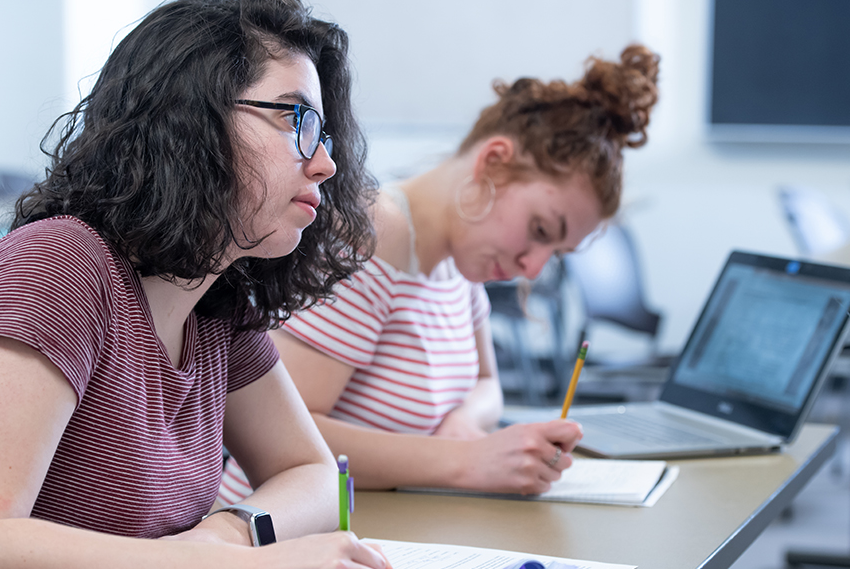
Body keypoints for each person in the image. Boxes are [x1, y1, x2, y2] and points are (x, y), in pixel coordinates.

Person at [0, 0, 394, 569]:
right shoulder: (54, 267)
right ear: (191, 116)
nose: (324, 164)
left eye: (321, 131)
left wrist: (230, 532)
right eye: (293, 118)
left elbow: (314, 474)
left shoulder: (216, 302)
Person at [220, 45, 659, 501]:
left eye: (557, 252)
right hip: (294, 536)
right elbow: (284, 439)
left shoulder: (460, 261)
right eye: (540, 230)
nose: (533, 266)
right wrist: (467, 461)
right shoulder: (373, 236)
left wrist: (464, 424)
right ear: (493, 162)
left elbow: (488, 386)